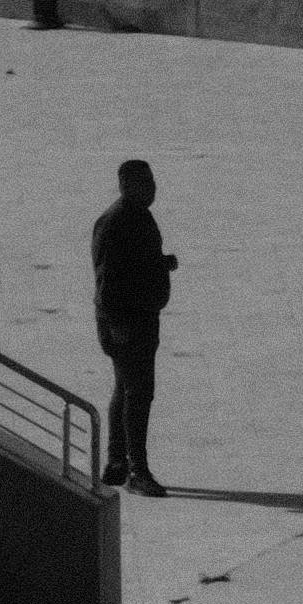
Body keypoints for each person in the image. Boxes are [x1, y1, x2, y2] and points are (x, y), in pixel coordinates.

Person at [89, 156, 174, 495]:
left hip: (132, 319)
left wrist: (161, 264)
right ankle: (137, 470)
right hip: (128, 322)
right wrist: (116, 323)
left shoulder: (133, 217)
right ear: (127, 187)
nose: (154, 189)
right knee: (139, 393)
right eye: (146, 183)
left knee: (124, 388)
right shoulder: (118, 223)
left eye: (153, 182)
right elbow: (107, 281)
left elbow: (133, 265)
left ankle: (116, 462)